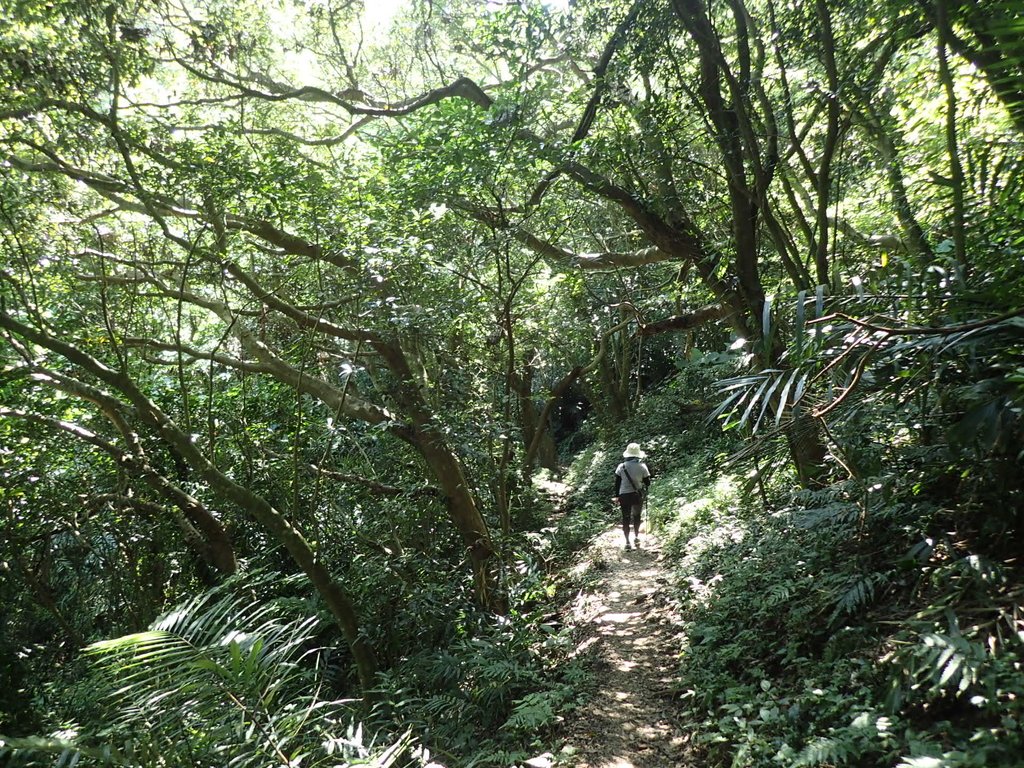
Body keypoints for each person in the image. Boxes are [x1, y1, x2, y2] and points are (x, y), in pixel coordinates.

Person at [612, 442, 650, 550]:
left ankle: (627, 542)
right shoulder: (642, 466)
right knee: (636, 516)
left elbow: (617, 483)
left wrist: (616, 496)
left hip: (624, 495)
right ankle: (637, 537)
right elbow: (648, 483)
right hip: (636, 495)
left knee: (626, 518)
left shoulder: (621, 466)